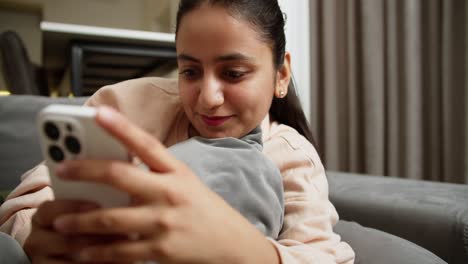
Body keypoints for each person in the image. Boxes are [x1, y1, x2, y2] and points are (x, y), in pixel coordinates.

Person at [0, 0, 355, 263]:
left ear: (280, 75)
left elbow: (320, 255)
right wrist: (39, 237)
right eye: (190, 72)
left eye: (233, 73)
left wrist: (242, 250)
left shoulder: (291, 157)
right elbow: (21, 208)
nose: (208, 99)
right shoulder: (126, 106)